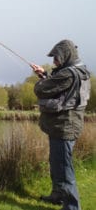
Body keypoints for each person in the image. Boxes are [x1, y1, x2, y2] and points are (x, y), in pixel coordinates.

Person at [32, 39, 91, 210]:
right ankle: (58, 195)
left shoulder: (68, 74)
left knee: (65, 170)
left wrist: (42, 81)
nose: (54, 62)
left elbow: (41, 90)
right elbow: (63, 88)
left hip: (64, 127)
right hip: (64, 126)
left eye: (56, 58)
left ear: (65, 56)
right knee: (57, 164)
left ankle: (72, 207)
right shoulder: (79, 71)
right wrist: (44, 75)